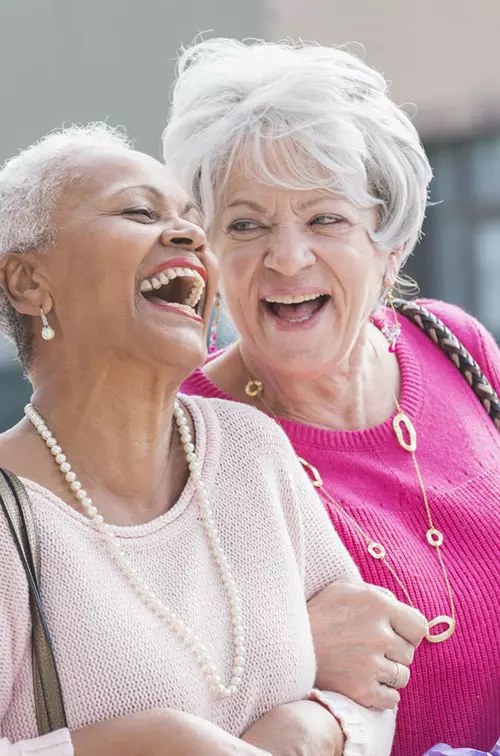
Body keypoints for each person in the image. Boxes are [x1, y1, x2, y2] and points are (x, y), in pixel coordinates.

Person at [0, 124, 397, 756]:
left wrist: (317, 725)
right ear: (28, 281)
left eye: (192, 220)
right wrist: (139, 744)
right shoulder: (8, 520)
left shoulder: (251, 452)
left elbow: (369, 681)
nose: (188, 236)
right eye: (138, 211)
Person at [162, 38, 500, 755]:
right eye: (246, 225)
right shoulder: (182, 435)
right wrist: (285, 650)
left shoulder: (456, 346)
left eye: (325, 220)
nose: (286, 258)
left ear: (391, 243)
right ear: (208, 251)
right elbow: (129, 687)